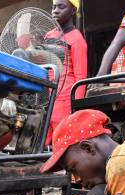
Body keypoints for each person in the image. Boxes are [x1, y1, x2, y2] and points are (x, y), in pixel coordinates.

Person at [45, 0, 88, 145]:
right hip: (46, 98)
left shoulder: (77, 40)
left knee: (62, 143)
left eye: (61, 7)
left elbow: (81, 77)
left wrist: (74, 108)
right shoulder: (48, 36)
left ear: (73, 11)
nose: (55, 10)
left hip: (65, 101)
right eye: (54, 7)